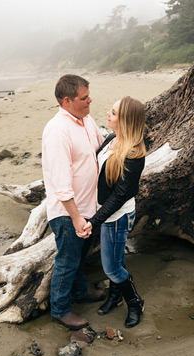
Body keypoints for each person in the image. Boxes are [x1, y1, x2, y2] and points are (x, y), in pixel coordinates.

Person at [41, 74, 106, 330]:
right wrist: (76, 217)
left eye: (89, 95)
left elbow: (102, 147)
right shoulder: (57, 130)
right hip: (68, 212)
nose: (91, 100)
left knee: (80, 256)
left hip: (89, 207)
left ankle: (80, 293)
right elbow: (60, 183)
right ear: (67, 101)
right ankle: (60, 310)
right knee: (67, 261)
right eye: (84, 97)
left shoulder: (86, 120)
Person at [83, 96, 147, 328]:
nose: (108, 114)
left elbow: (121, 195)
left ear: (126, 120)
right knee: (116, 261)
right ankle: (114, 296)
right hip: (106, 213)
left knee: (112, 266)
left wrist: (95, 221)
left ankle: (135, 302)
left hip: (117, 217)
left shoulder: (133, 154)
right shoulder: (112, 138)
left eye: (113, 112)